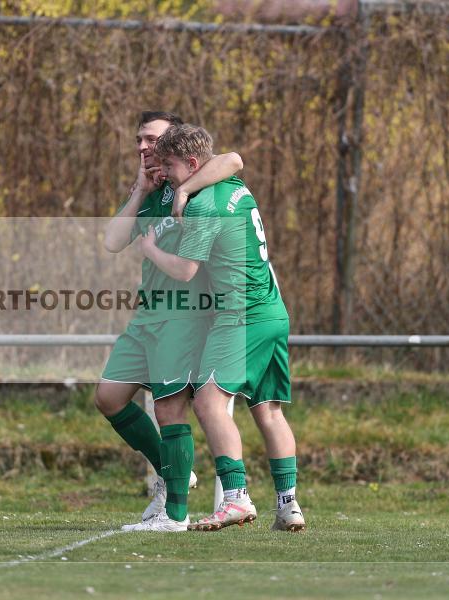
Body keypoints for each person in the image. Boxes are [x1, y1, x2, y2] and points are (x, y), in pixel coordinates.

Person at [140, 123, 305, 532]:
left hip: (240, 316)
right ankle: (288, 505)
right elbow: (229, 159)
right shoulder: (235, 185)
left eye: (172, 167)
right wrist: (180, 189)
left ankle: (236, 497)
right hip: (273, 312)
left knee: (209, 403)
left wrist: (151, 250)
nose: (167, 176)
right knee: (267, 411)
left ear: (193, 165)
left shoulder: (202, 206)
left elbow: (186, 270)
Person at [98, 111, 244, 532]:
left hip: (183, 314)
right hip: (148, 314)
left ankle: (174, 511)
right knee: (108, 397)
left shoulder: (192, 179)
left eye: (152, 140)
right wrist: (140, 190)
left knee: (169, 407)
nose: (145, 148)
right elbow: (111, 241)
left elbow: (233, 159)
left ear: (176, 142)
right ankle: (172, 468)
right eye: (139, 141)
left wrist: (186, 190)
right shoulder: (149, 188)